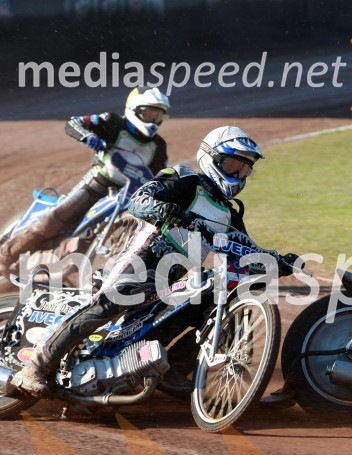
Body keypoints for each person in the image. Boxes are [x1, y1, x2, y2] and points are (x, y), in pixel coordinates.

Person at [12, 126, 297, 397]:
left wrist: (278, 261)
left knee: (209, 300)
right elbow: (139, 199)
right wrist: (165, 209)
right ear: (211, 158)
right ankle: (37, 365)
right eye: (232, 165)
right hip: (144, 258)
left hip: (175, 277)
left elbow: (246, 249)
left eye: (244, 168)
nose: (237, 173)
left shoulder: (231, 213)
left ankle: (175, 368)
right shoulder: (185, 179)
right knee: (113, 302)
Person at [0, 87, 170, 274]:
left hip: (128, 196)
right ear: (134, 110)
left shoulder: (158, 146)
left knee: (81, 254)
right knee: (54, 221)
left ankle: (62, 280)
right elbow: (74, 123)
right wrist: (87, 136)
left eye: (158, 115)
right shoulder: (112, 122)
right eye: (149, 113)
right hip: (97, 185)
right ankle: (5, 256)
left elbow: (161, 177)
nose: (153, 120)